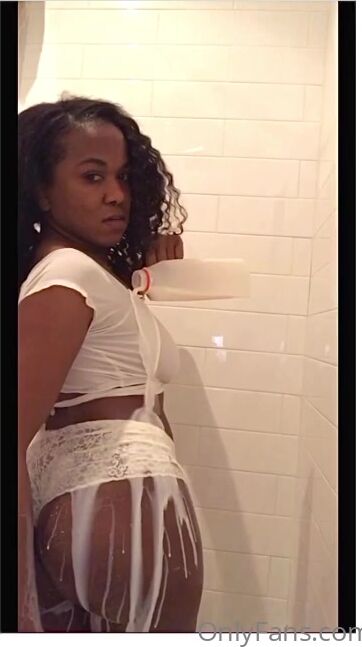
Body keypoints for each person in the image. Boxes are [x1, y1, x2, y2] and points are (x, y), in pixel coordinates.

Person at [18, 95, 204, 632]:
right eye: (92, 176)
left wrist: (144, 261)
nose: (117, 194)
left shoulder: (76, 273)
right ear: (42, 191)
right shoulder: (69, 276)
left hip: (87, 505)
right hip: (129, 506)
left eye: (123, 176)